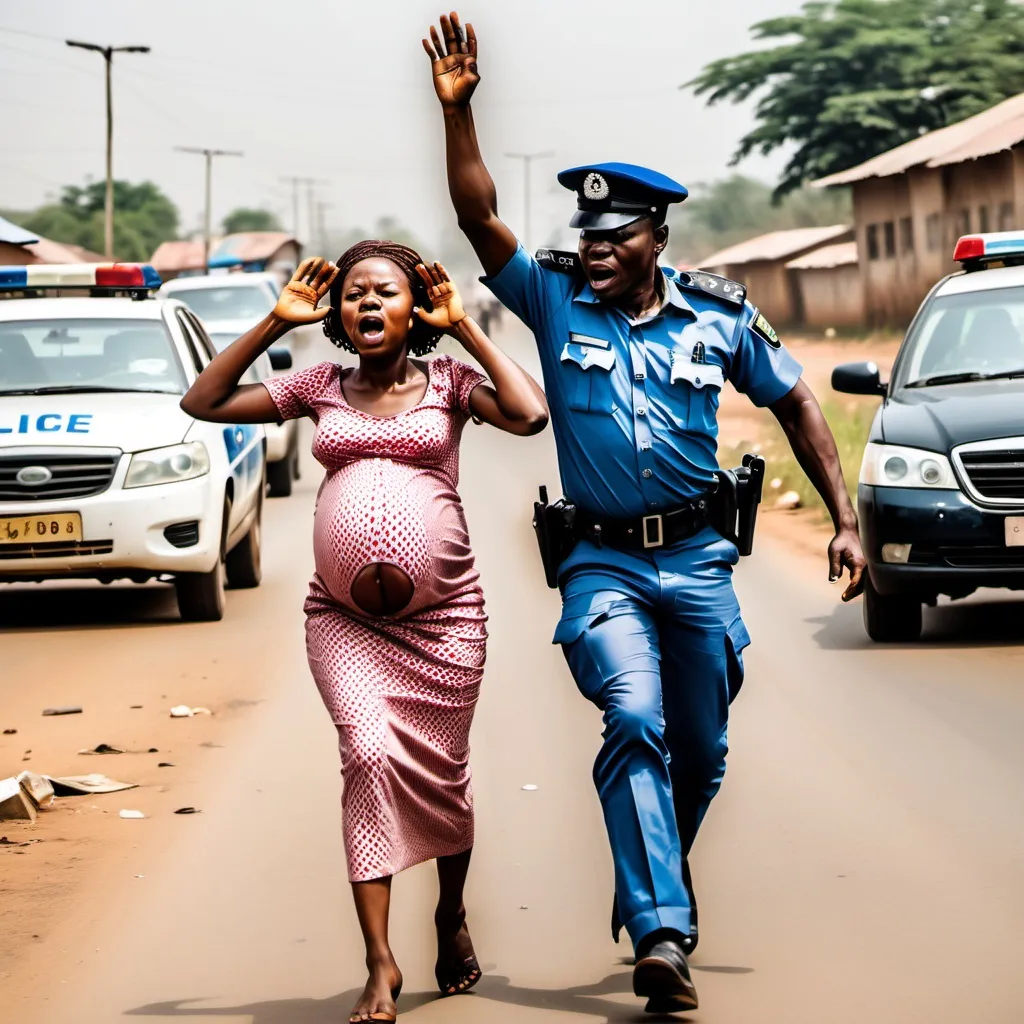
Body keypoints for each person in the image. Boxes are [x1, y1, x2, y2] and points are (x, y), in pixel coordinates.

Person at [423, 12, 866, 1014]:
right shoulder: (552, 297)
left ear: (656, 236)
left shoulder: (716, 313)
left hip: (700, 560)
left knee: (700, 753)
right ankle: (662, 930)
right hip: (601, 566)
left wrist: (842, 517)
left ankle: (652, 882)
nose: (594, 250)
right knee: (632, 717)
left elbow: (794, 396)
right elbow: (478, 220)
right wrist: (460, 117)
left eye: (614, 236)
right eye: (585, 235)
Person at [180, 244, 549, 1024]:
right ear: (338, 314)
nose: (369, 303)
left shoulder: (450, 382)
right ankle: (380, 963)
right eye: (354, 295)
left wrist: (469, 333)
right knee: (368, 757)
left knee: (443, 775)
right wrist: (272, 321)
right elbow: (203, 402)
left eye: (386, 292)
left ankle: (449, 915)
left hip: (447, 621)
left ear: (414, 307)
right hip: (342, 622)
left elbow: (529, 414)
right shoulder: (318, 385)